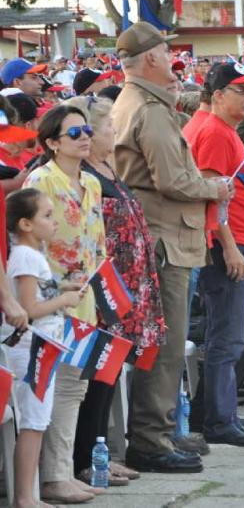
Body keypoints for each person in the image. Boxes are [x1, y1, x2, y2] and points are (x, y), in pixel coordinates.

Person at [111, 21, 232, 473]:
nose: (173, 57)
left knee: (164, 340)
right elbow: (172, 179)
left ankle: (159, 429)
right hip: (165, 236)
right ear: (150, 59)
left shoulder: (138, 102)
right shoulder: (150, 109)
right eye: (166, 50)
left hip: (161, 233)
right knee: (165, 343)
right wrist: (214, 189)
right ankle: (151, 438)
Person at [63, 96, 154, 486]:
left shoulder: (107, 168)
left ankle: (101, 451)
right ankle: (84, 458)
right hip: (102, 291)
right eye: (105, 129)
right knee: (94, 377)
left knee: (110, 373)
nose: (111, 135)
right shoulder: (85, 175)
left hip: (125, 287)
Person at [25, 105, 106, 504]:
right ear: (53, 143)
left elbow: (98, 242)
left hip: (85, 298)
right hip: (50, 299)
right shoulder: (42, 181)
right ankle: (51, 477)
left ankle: (63, 471)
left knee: (75, 386)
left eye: (87, 130)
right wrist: (54, 289)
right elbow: (31, 243)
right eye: (74, 134)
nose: (85, 137)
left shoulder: (92, 182)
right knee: (53, 388)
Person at [186, 63, 244, 446]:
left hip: (238, 240)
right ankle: (219, 421)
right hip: (227, 246)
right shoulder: (215, 133)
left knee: (230, 335)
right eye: (241, 90)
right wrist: (231, 247)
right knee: (228, 338)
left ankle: (216, 412)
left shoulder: (222, 130)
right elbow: (210, 197)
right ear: (218, 96)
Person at [3, 188, 83, 508]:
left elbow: (34, 292)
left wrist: (62, 287)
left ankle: (29, 494)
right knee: (33, 423)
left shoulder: (31, 255)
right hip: (29, 350)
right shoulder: (24, 255)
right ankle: (25, 496)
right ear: (25, 224)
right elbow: (28, 308)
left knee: (38, 422)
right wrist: (64, 300)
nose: (54, 223)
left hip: (42, 348)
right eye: (47, 216)